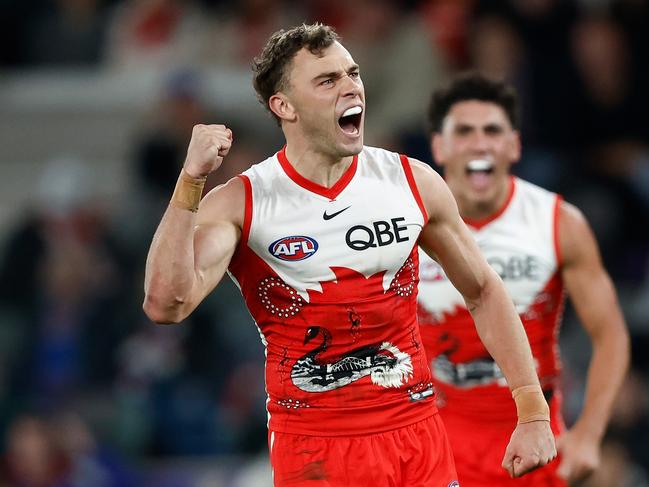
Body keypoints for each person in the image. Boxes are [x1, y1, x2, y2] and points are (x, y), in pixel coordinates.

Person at [143, 24, 556, 486]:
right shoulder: (245, 202)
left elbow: (483, 291)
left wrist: (533, 411)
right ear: (285, 106)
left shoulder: (410, 182)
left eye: (352, 74)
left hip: (417, 439)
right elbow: (166, 302)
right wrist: (190, 182)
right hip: (316, 451)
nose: (350, 87)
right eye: (327, 80)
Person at [417, 73, 630, 486]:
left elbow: (611, 334)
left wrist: (589, 432)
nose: (479, 143)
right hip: (435, 440)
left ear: (514, 145)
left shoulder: (558, 222)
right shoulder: (407, 223)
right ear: (439, 147)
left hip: (534, 441)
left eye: (492, 130)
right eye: (464, 131)